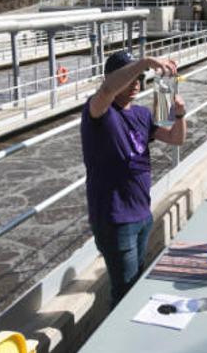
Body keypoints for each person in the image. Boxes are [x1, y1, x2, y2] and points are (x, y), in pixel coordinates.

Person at [80, 51, 187, 306]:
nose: (136, 83)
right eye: (130, 78)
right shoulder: (98, 112)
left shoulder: (141, 114)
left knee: (136, 285)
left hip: (141, 214)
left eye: (140, 78)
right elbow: (106, 90)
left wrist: (180, 113)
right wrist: (146, 62)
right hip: (116, 219)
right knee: (125, 295)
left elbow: (175, 138)